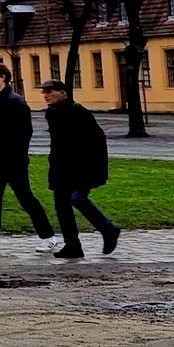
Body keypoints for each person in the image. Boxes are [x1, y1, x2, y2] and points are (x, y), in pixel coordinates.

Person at [0, 64, 56, 255]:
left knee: (26, 198)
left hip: (12, 162)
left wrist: (13, 157)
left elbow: (24, 134)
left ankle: (48, 237)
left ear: (3, 78)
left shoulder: (16, 103)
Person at [39, 79, 121, 257]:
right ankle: (72, 245)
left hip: (81, 168)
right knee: (61, 205)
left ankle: (108, 229)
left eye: (50, 92)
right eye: (44, 92)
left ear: (63, 93)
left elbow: (97, 140)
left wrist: (94, 168)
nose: (46, 95)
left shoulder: (78, 112)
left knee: (77, 198)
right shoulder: (52, 113)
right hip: (61, 168)